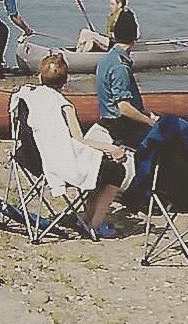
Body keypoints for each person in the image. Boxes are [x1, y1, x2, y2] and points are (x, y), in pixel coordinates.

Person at [20, 53, 129, 240]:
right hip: (54, 165)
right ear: (65, 81)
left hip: (30, 157)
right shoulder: (64, 106)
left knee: (100, 165)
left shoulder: (26, 97)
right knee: (116, 171)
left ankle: (88, 216)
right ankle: (95, 223)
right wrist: (109, 148)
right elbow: (79, 139)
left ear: (39, 77)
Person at [95, 8, 157, 149]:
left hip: (108, 119)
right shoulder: (120, 67)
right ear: (135, 36)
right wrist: (149, 122)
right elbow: (124, 108)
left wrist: (147, 114)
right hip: (120, 126)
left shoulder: (106, 59)